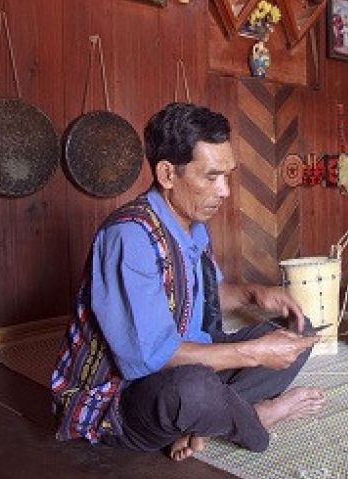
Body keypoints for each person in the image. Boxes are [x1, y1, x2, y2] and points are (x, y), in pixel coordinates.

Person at [51, 102, 325, 461]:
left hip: (197, 363)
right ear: (167, 175)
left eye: (227, 176)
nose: (225, 191)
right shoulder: (128, 237)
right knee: (192, 390)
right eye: (211, 177)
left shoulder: (191, 225)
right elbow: (149, 356)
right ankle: (255, 417)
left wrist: (254, 295)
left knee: (298, 334)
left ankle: (210, 419)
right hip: (128, 394)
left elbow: (201, 296)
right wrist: (255, 353)